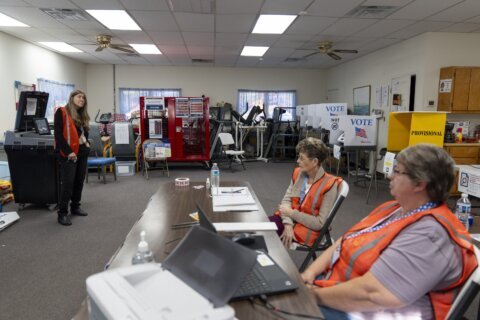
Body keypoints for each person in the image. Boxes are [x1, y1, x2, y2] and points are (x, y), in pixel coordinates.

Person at [301, 144, 478, 320]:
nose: (389, 176)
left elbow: (372, 294)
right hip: (338, 292)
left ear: (419, 184)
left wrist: (312, 296)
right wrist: (310, 273)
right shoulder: (395, 208)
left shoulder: (431, 234)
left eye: (397, 171)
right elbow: (345, 241)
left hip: (363, 311)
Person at [270, 137, 342, 248]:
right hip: (290, 220)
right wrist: (288, 223)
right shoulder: (299, 174)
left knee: (263, 237)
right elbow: (286, 201)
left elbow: (320, 223)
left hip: (306, 228)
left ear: (315, 161)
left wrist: (291, 213)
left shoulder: (330, 185)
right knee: (261, 230)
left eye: (301, 158)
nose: (298, 161)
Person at [54, 89, 91, 226]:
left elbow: (84, 132)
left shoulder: (82, 115)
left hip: (82, 152)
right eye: (79, 97)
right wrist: (68, 151)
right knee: (68, 183)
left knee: (79, 181)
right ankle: (62, 213)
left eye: (83, 98)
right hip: (68, 154)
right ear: (72, 98)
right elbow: (58, 135)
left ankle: (75, 207)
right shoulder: (62, 112)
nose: (82, 99)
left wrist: (87, 143)